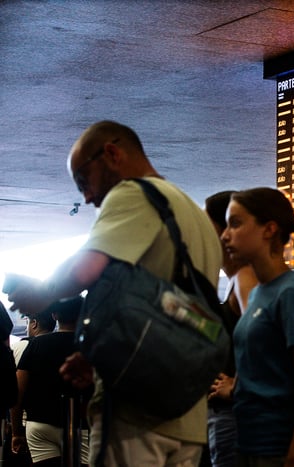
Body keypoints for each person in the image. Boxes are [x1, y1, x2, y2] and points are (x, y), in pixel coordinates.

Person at [6, 120, 222, 466]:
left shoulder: (134, 192)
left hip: (134, 412)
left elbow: (88, 267)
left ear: (111, 153)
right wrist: (99, 354)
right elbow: (163, 308)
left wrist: (42, 293)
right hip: (187, 413)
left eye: (83, 180)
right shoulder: (191, 214)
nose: (87, 197)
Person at [220, 187, 294, 466]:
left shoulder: (291, 294)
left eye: (236, 224)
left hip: (277, 446)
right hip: (249, 439)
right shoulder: (257, 294)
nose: (225, 235)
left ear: (269, 230)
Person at [202, 190, 258, 467]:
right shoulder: (235, 280)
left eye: (208, 229)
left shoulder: (245, 277)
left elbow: (262, 336)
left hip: (235, 415)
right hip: (225, 415)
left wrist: (238, 387)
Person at [11, 296, 91, 466]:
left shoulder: (35, 344)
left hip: (39, 425)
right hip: (82, 425)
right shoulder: (90, 347)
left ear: (54, 315)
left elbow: (17, 391)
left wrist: (16, 432)